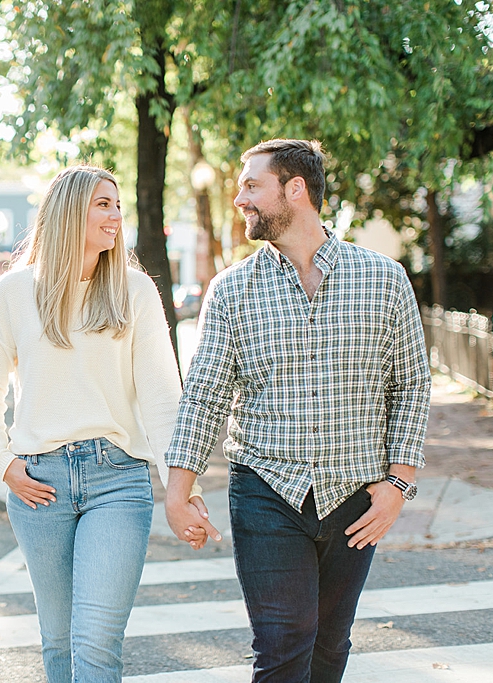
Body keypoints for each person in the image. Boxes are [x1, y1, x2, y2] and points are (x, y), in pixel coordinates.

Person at [163, 139, 431, 682]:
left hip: (355, 494)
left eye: (250, 186)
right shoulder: (232, 290)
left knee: (330, 646)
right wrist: (176, 491)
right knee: (284, 646)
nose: (239, 199)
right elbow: (204, 395)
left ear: (295, 189)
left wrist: (397, 485)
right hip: (267, 489)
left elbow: (411, 385)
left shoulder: (383, 279)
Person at [0, 164, 204, 682]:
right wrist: (2, 464)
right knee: (58, 640)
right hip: (38, 485)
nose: (116, 216)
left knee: (95, 642)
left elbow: (164, 397)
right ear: (70, 210)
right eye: (103, 204)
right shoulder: (13, 293)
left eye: (118, 205)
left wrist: (180, 486)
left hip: (117, 480)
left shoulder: (135, 291)